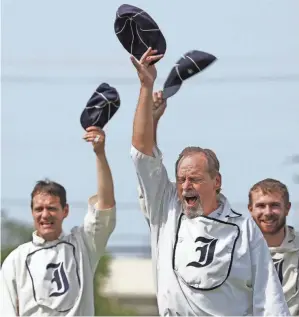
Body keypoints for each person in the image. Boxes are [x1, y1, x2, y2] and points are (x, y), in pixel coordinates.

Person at [130, 47, 290, 316]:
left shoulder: (245, 229)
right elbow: (142, 156)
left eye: (194, 178)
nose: (185, 186)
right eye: (181, 179)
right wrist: (147, 86)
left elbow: (269, 300)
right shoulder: (166, 210)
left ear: (217, 181)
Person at [0, 126, 116, 316]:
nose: (45, 215)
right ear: (32, 212)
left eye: (52, 208)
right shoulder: (16, 260)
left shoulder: (83, 245)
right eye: (39, 209)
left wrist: (100, 154)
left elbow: (106, 205)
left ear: (65, 211)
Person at [248, 178, 299, 316]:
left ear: (287, 208)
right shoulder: (234, 252)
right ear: (250, 209)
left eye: (275, 205)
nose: (268, 212)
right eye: (261, 206)